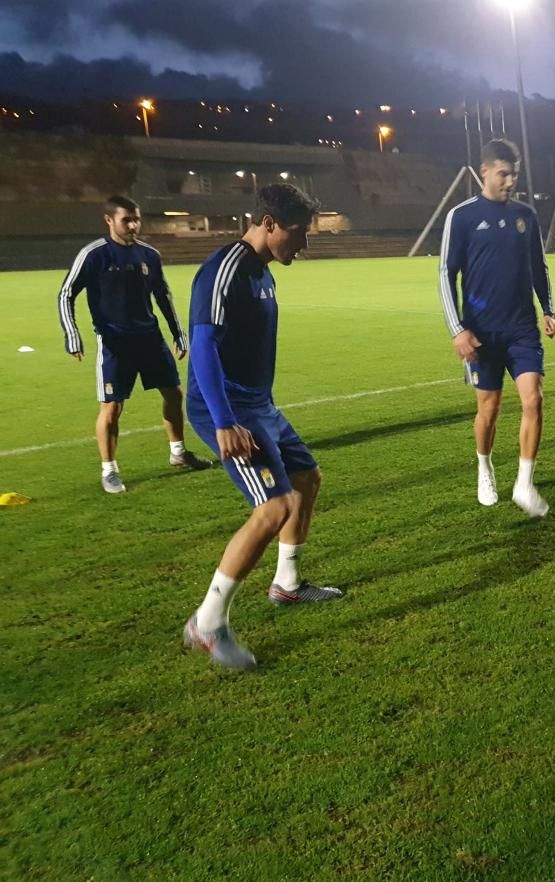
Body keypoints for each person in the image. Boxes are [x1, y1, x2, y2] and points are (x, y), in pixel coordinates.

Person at [182, 184, 343, 671]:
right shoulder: (225, 269)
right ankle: (207, 623)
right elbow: (204, 346)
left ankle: (287, 584)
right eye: (298, 233)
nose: (304, 245)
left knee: (306, 479)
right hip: (226, 409)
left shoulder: (263, 272)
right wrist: (226, 421)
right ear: (269, 224)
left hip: (259, 405)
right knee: (274, 508)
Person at [57, 195, 211, 494]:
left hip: (150, 339)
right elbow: (66, 294)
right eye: (126, 219)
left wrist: (178, 333)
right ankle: (109, 470)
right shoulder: (94, 254)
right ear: (109, 220)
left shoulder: (149, 255)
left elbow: (163, 295)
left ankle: (178, 452)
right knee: (112, 408)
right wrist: (72, 335)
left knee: (173, 393)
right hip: (115, 342)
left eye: (136, 219)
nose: (133, 225)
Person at [439, 138, 555, 516]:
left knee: (533, 399)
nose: (510, 181)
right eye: (503, 173)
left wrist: (548, 308)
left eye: (515, 174)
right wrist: (457, 329)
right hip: (481, 333)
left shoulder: (527, 215)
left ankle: (524, 483)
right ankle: (484, 466)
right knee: (488, 409)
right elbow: (446, 273)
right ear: (485, 171)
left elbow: (539, 266)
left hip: (522, 328)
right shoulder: (462, 216)